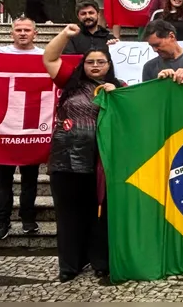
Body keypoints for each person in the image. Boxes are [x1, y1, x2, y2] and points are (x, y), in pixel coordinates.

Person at [42, 25, 123, 282]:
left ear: (109, 66)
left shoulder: (120, 87)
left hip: (102, 161)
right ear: (83, 65)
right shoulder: (70, 82)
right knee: (68, 215)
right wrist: (65, 35)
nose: (96, 65)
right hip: (65, 160)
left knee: (99, 214)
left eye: (101, 62)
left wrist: (118, 97)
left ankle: (100, 261)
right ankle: (69, 265)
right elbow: (49, 58)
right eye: (90, 62)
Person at [0, 18, 44, 241]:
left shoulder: (44, 55)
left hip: (31, 126)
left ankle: (28, 219)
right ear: (11, 33)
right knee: (3, 180)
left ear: (36, 33)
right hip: (4, 127)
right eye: (18, 30)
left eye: (27, 30)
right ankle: (1, 222)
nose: (23, 33)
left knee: (30, 180)